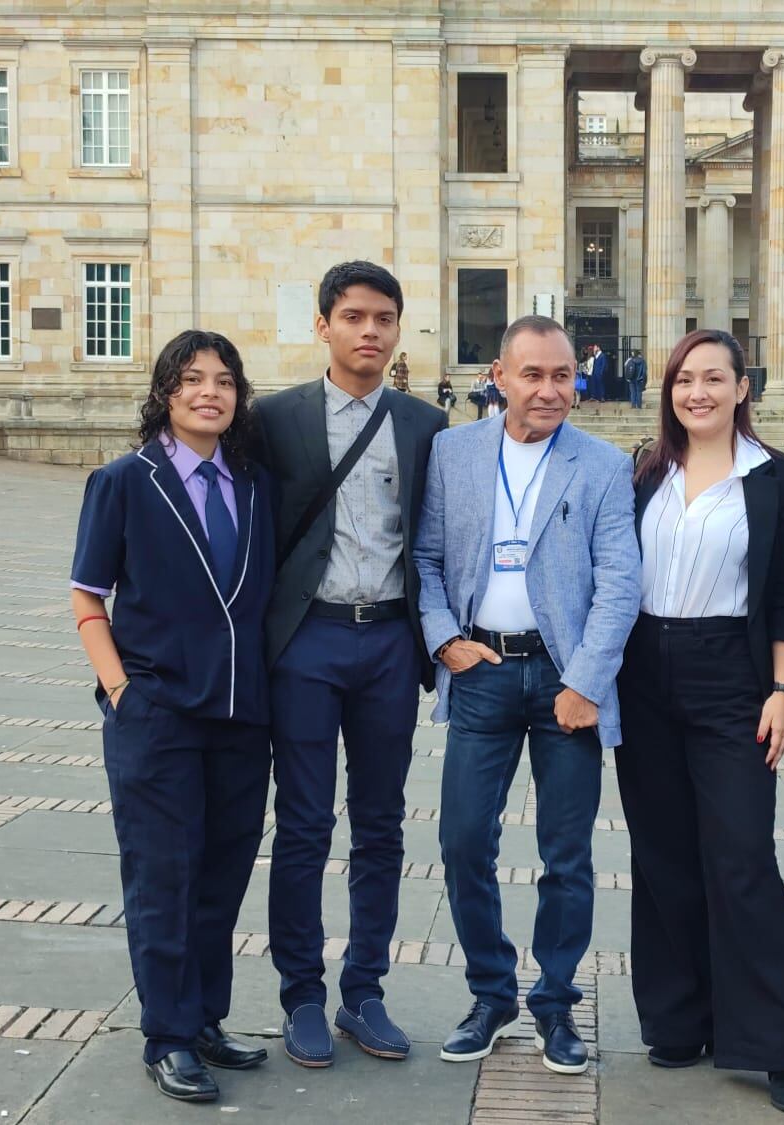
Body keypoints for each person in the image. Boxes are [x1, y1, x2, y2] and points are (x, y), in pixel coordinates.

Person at [413, 314, 639, 1076]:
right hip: (481, 672)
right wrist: (445, 639)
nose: (550, 389)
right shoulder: (453, 451)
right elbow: (427, 557)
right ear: (499, 377)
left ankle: (554, 1001)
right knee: (462, 840)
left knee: (566, 855)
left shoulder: (603, 464)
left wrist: (587, 682)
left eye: (563, 375)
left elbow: (620, 581)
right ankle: (490, 991)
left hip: (563, 681)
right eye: (533, 374)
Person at [69, 330, 277, 1103]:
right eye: (191, 380)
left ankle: (204, 1019)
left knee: (221, 877)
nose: (208, 393)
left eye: (223, 381)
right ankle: (166, 1033)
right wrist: (121, 689)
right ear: (165, 393)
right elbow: (88, 595)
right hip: (156, 713)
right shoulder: (125, 481)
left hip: (238, 715)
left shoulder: (253, 484)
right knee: (164, 877)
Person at [618, 329, 784, 1115]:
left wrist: (782, 688)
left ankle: (775, 1045)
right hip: (645, 672)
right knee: (661, 851)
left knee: (740, 855)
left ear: (743, 388)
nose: (696, 391)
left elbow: (783, 593)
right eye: (683, 379)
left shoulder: (778, 478)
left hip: (731, 676)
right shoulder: (643, 471)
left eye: (712, 378)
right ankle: (677, 1019)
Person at [255, 261, 447, 1069]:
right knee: (302, 823)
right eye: (355, 316)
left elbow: (440, 537)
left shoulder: (426, 423)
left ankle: (363, 987)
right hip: (309, 640)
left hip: (387, 645)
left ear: (399, 330)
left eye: (385, 318)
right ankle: (301, 989)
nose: (370, 331)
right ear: (323, 325)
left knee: (379, 822)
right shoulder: (275, 419)